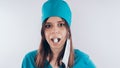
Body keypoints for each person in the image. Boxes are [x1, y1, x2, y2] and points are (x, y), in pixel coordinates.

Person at [22, 0, 96, 68]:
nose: (54, 31)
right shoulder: (29, 61)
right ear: (43, 32)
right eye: (48, 26)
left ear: (68, 31)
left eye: (60, 25)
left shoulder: (82, 61)